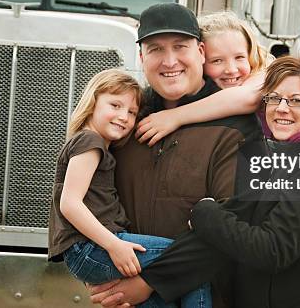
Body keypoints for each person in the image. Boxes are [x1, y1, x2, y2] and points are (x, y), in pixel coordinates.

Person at [93, 54, 300, 307]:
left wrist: (204, 213)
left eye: (297, 101)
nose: (282, 108)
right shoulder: (280, 153)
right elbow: (238, 235)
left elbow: (273, 250)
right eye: (275, 98)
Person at [90, 3, 263, 307]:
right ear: (142, 58)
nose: (169, 61)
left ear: (200, 51)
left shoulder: (238, 129)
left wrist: (150, 282)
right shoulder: (124, 124)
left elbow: (236, 227)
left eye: (180, 46)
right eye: (156, 49)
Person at [47, 69, 212, 307]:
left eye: (131, 112)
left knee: (159, 297)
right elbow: (70, 203)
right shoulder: (89, 141)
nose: (123, 116)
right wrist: (114, 245)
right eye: (115, 105)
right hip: (91, 247)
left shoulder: (100, 146)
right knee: (188, 260)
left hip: (90, 249)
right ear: (92, 103)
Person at [136, 11, 271, 146]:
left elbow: (249, 98)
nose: (231, 70)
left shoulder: (262, 77)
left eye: (240, 57)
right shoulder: (144, 103)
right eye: (217, 60)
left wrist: (174, 116)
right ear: (200, 58)